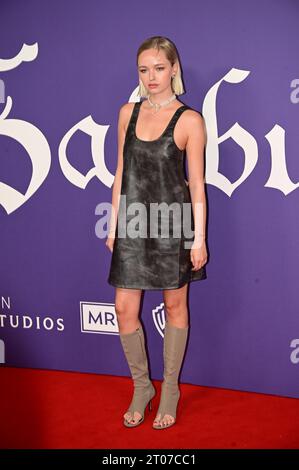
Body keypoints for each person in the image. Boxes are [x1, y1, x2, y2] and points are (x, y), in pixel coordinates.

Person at [106, 36, 208, 429]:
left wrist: (198, 238)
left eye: (159, 68)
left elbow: (196, 184)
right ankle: (141, 386)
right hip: (132, 223)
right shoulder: (126, 113)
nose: (151, 77)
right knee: (123, 310)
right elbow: (120, 172)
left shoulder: (189, 120)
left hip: (173, 225)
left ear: (174, 69)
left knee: (176, 307)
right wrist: (114, 224)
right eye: (144, 70)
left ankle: (170, 390)